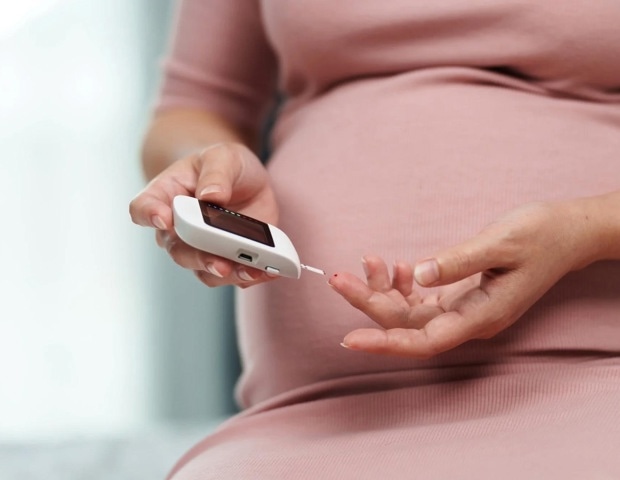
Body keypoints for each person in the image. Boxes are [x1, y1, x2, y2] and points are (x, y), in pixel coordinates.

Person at [129, 1, 620, 478]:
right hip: (311, 412)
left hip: (595, 374)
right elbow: (191, 109)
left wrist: (583, 231)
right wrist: (210, 172)